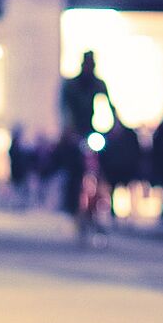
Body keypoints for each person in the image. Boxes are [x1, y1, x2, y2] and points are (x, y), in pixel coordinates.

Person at [58, 51, 112, 214]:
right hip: (75, 130)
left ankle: (104, 202)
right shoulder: (71, 85)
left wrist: (115, 126)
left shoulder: (98, 84)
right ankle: (71, 204)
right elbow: (65, 109)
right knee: (73, 167)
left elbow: (109, 105)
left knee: (105, 161)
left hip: (91, 129)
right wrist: (68, 129)